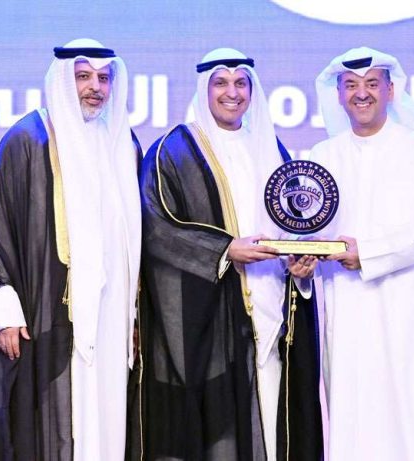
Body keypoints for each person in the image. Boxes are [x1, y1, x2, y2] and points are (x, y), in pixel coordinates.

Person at [129, 48, 322, 461]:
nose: (232, 93)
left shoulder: (273, 149)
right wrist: (224, 250)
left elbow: (292, 225)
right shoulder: (172, 151)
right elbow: (156, 229)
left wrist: (300, 267)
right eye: (221, 83)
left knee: (273, 421)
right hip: (209, 324)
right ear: (204, 89)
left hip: (271, 313)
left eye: (241, 83)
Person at [0, 38, 141, 460]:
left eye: (104, 78)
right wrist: (5, 311)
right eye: (83, 77)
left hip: (112, 314)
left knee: (107, 415)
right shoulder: (27, 140)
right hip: (46, 311)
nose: (95, 87)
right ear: (63, 81)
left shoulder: (123, 143)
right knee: (51, 420)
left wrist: (136, 314)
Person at [310, 47, 414, 460]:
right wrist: (302, 258)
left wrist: (368, 254)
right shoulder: (322, 157)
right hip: (349, 315)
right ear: (338, 95)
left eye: (372, 84)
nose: (362, 94)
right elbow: (312, 232)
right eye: (351, 85)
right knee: (355, 424)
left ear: (391, 91)